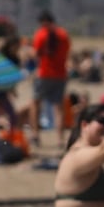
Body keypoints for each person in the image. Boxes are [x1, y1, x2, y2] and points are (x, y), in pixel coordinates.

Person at [31, 12, 71, 145]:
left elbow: (36, 54)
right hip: (60, 74)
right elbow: (67, 52)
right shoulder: (63, 35)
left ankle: (36, 135)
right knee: (58, 108)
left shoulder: (41, 34)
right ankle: (60, 139)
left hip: (44, 74)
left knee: (36, 104)